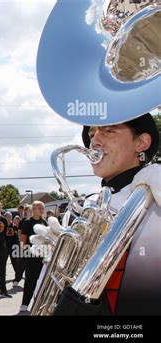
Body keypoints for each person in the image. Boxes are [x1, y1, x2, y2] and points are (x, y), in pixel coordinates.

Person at [54, 112, 160, 315]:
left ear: (141, 143)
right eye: (92, 134)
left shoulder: (156, 189)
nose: (95, 140)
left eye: (109, 130)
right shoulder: (82, 209)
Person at [19, 200, 47, 312]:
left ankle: (39, 303)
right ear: (33, 209)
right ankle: (25, 304)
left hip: (43, 258)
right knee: (30, 281)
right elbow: (23, 240)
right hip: (31, 257)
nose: (41, 210)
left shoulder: (44, 223)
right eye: (39, 208)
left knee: (42, 282)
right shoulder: (27, 222)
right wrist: (25, 254)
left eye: (42, 208)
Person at [5, 213, 24, 287]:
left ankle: (18, 275)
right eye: (7, 217)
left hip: (13, 247)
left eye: (10, 217)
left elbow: (17, 237)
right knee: (3, 262)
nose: (9, 218)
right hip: (5, 246)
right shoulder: (3, 226)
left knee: (15, 262)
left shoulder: (14, 227)